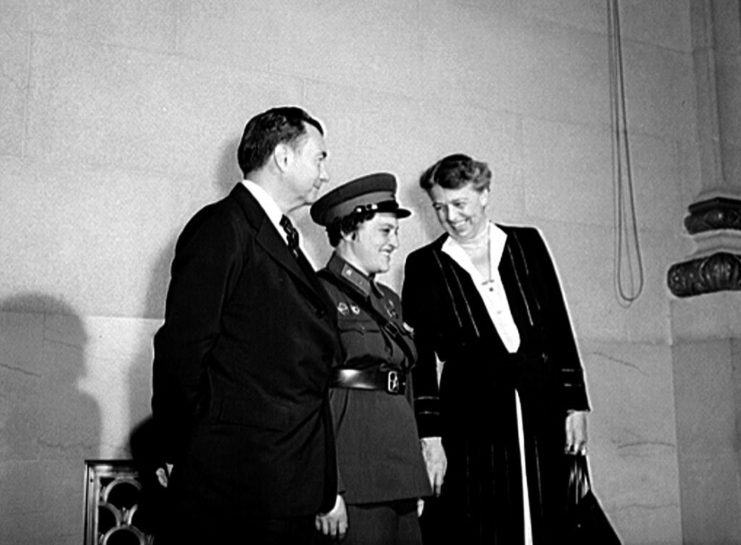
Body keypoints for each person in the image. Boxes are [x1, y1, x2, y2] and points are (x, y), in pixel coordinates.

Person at [151, 106, 343, 544]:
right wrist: (180, 448)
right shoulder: (222, 228)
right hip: (237, 481)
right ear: (283, 157)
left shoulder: (282, 237)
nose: (325, 173)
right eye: (320, 158)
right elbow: (183, 349)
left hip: (287, 474)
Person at [401, 153, 590, 545]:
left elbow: (558, 324)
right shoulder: (424, 265)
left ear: (484, 194)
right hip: (471, 415)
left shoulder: (527, 243)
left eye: (460, 204)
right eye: (440, 207)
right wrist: (430, 437)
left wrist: (575, 404)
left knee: (552, 513)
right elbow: (418, 359)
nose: (451, 217)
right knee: (483, 523)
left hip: (542, 405)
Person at [310, 173, 432, 545]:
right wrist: (328, 487)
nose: (395, 243)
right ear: (349, 230)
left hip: (401, 471)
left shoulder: (390, 302)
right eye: (384, 231)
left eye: (395, 232)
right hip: (355, 475)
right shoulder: (315, 294)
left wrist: (415, 473)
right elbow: (308, 397)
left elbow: (402, 383)